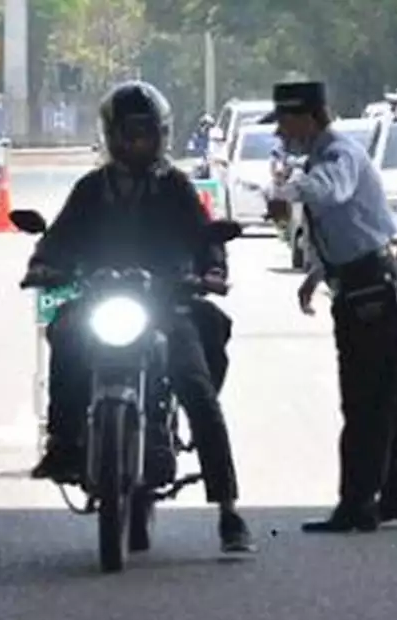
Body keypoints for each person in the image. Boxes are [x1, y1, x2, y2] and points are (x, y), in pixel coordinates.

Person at [20, 81, 255, 554]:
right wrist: (42, 264)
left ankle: (229, 510)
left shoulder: (174, 187)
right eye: (130, 134)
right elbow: (60, 236)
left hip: (165, 303)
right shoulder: (91, 189)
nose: (138, 144)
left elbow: (204, 235)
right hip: (100, 300)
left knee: (195, 385)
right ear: (112, 135)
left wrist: (211, 268)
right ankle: (64, 443)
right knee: (65, 336)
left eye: (146, 134)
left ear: (160, 135)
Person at [262, 81, 397, 533]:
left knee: (364, 398)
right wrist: (316, 274)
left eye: (287, 124)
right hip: (357, 280)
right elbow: (345, 225)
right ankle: (395, 492)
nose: (282, 134)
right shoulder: (319, 156)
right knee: (382, 395)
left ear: (309, 117)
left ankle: (357, 504)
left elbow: (331, 192)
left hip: (369, 287)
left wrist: (286, 192)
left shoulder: (337, 156)